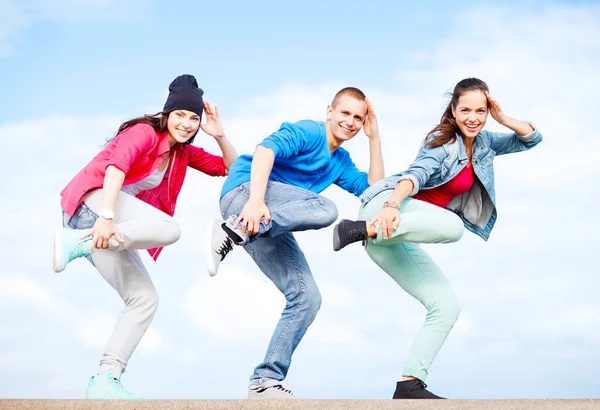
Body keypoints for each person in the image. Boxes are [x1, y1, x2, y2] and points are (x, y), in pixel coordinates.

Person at [333, 78, 543, 399]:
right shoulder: (442, 143)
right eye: (466, 110)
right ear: (454, 111)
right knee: (454, 227)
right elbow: (414, 175)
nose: (473, 117)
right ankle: (362, 228)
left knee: (446, 305)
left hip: (393, 230)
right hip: (386, 209)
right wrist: (389, 207)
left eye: (481, 111)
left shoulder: (484, 143)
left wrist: (502, 118)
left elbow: (530, 139)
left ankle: (409, 384)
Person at [53, 74, 237, 399]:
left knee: (145, 299)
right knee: (170, 228)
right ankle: (80, 243)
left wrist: (220, 135)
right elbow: (115, 168)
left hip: (109, 229)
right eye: (180, 114)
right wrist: (107, 217)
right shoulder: (144, 133)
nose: (187, 123)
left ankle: (104, 381)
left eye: (194, 118)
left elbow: (231, 168)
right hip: (93, 207)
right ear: (167, 113)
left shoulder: (182, 154)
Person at [205, 87, 384, 398]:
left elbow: (373, 190)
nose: (351, 122)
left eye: (359, 117)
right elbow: (264, 150)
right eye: (345, 113)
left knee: (306, 296)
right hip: (246, 196)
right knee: (326, 209)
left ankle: (264, 382)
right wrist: (255, 203)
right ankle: (236, 229)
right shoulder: (310, 131)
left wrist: (374, 138)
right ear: (330, 111)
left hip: (259, 222)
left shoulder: (339, 161)